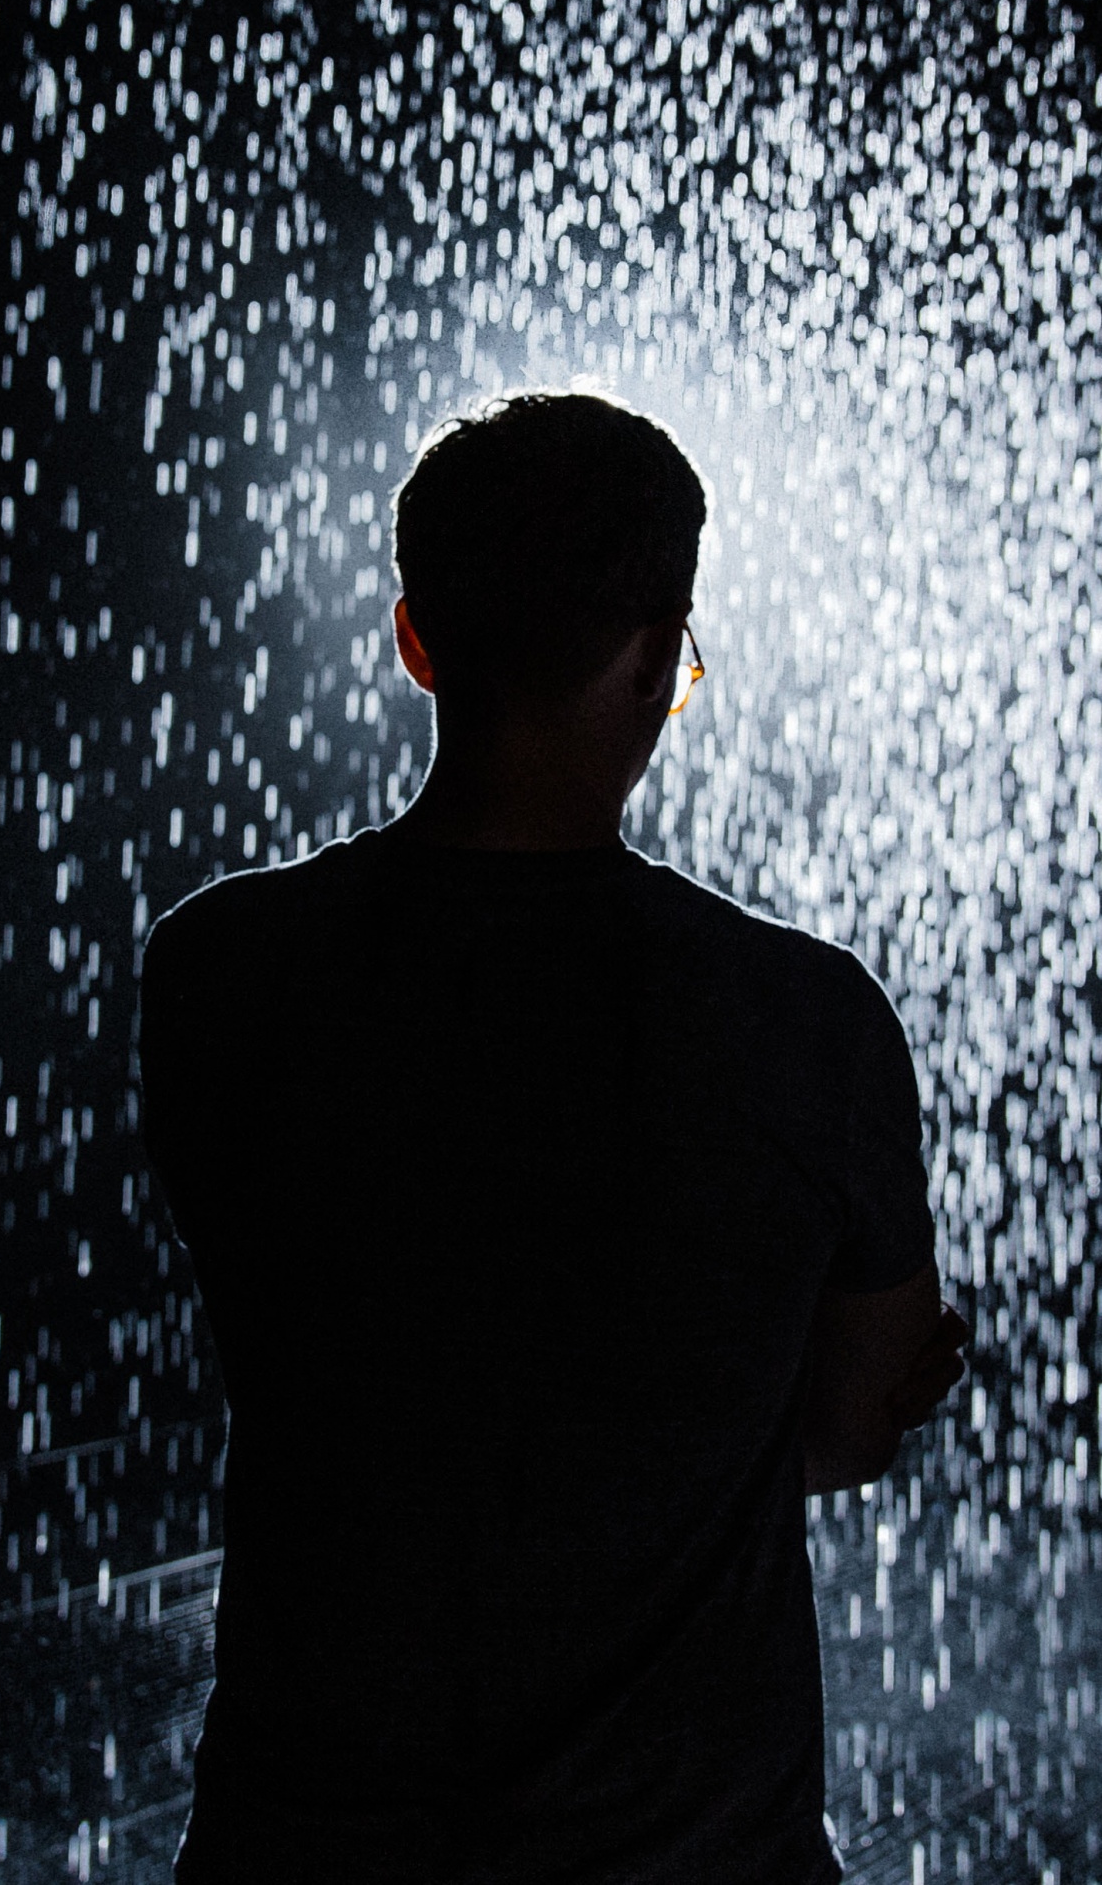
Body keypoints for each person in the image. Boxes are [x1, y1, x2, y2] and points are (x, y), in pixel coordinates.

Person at [139, 387, 966, 1885]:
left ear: (415, 641)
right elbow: (852, 1424)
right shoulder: (803, 1021)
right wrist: (708, 1420)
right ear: (658, 659)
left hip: (309, 1845)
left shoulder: (219, 974)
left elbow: (343, 1363)